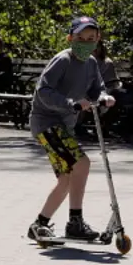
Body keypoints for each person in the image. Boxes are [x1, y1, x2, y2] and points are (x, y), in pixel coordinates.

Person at [27, 16, 116, 242]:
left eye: (91, 39)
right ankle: (75, 223)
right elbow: (43, 91)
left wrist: (104, 97)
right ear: (70, 38)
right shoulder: (63, 60)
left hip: (64, 126)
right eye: (81, 38)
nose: (86, 43)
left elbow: (98, 88)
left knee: (67, 178)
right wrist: (70, 103)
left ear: (98, 40)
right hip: (47, 123)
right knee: (82, 163)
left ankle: (40, 224)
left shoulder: (92, 63)